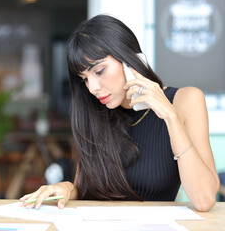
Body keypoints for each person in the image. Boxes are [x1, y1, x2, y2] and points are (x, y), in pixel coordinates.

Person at [20, 14, 219, 212]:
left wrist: (170, 116)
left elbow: (204, 200)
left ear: (128, 60)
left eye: (99, 71)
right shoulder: (92, 111)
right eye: (85, 79)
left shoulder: (186, 100)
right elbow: (85, 190)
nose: (93, 88)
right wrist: (67, 187)